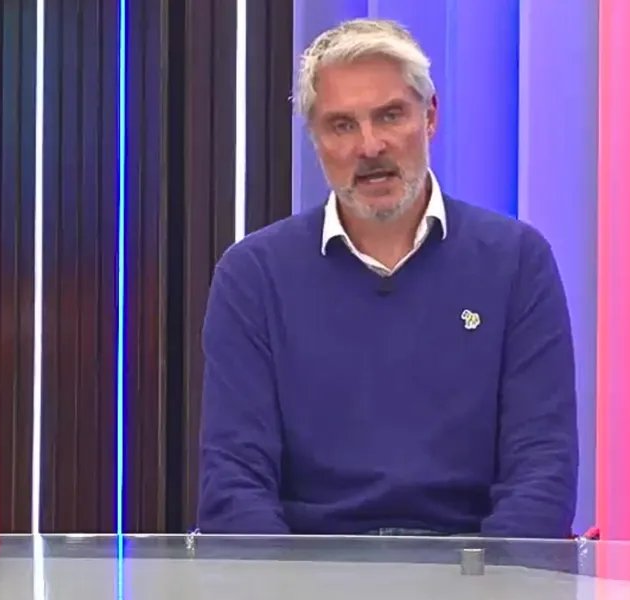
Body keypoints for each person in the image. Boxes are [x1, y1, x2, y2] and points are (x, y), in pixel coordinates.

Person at [197, 19, 577, 538]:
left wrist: (497, 579)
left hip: (475, 570)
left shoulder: (516, 261)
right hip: (306, 571)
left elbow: (542, 472)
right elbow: (233, 485)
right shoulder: (253, 276)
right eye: (342, 125)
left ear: (430, 116)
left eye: (390, 115)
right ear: (315, 140)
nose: (370, 146)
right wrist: (284, 580)